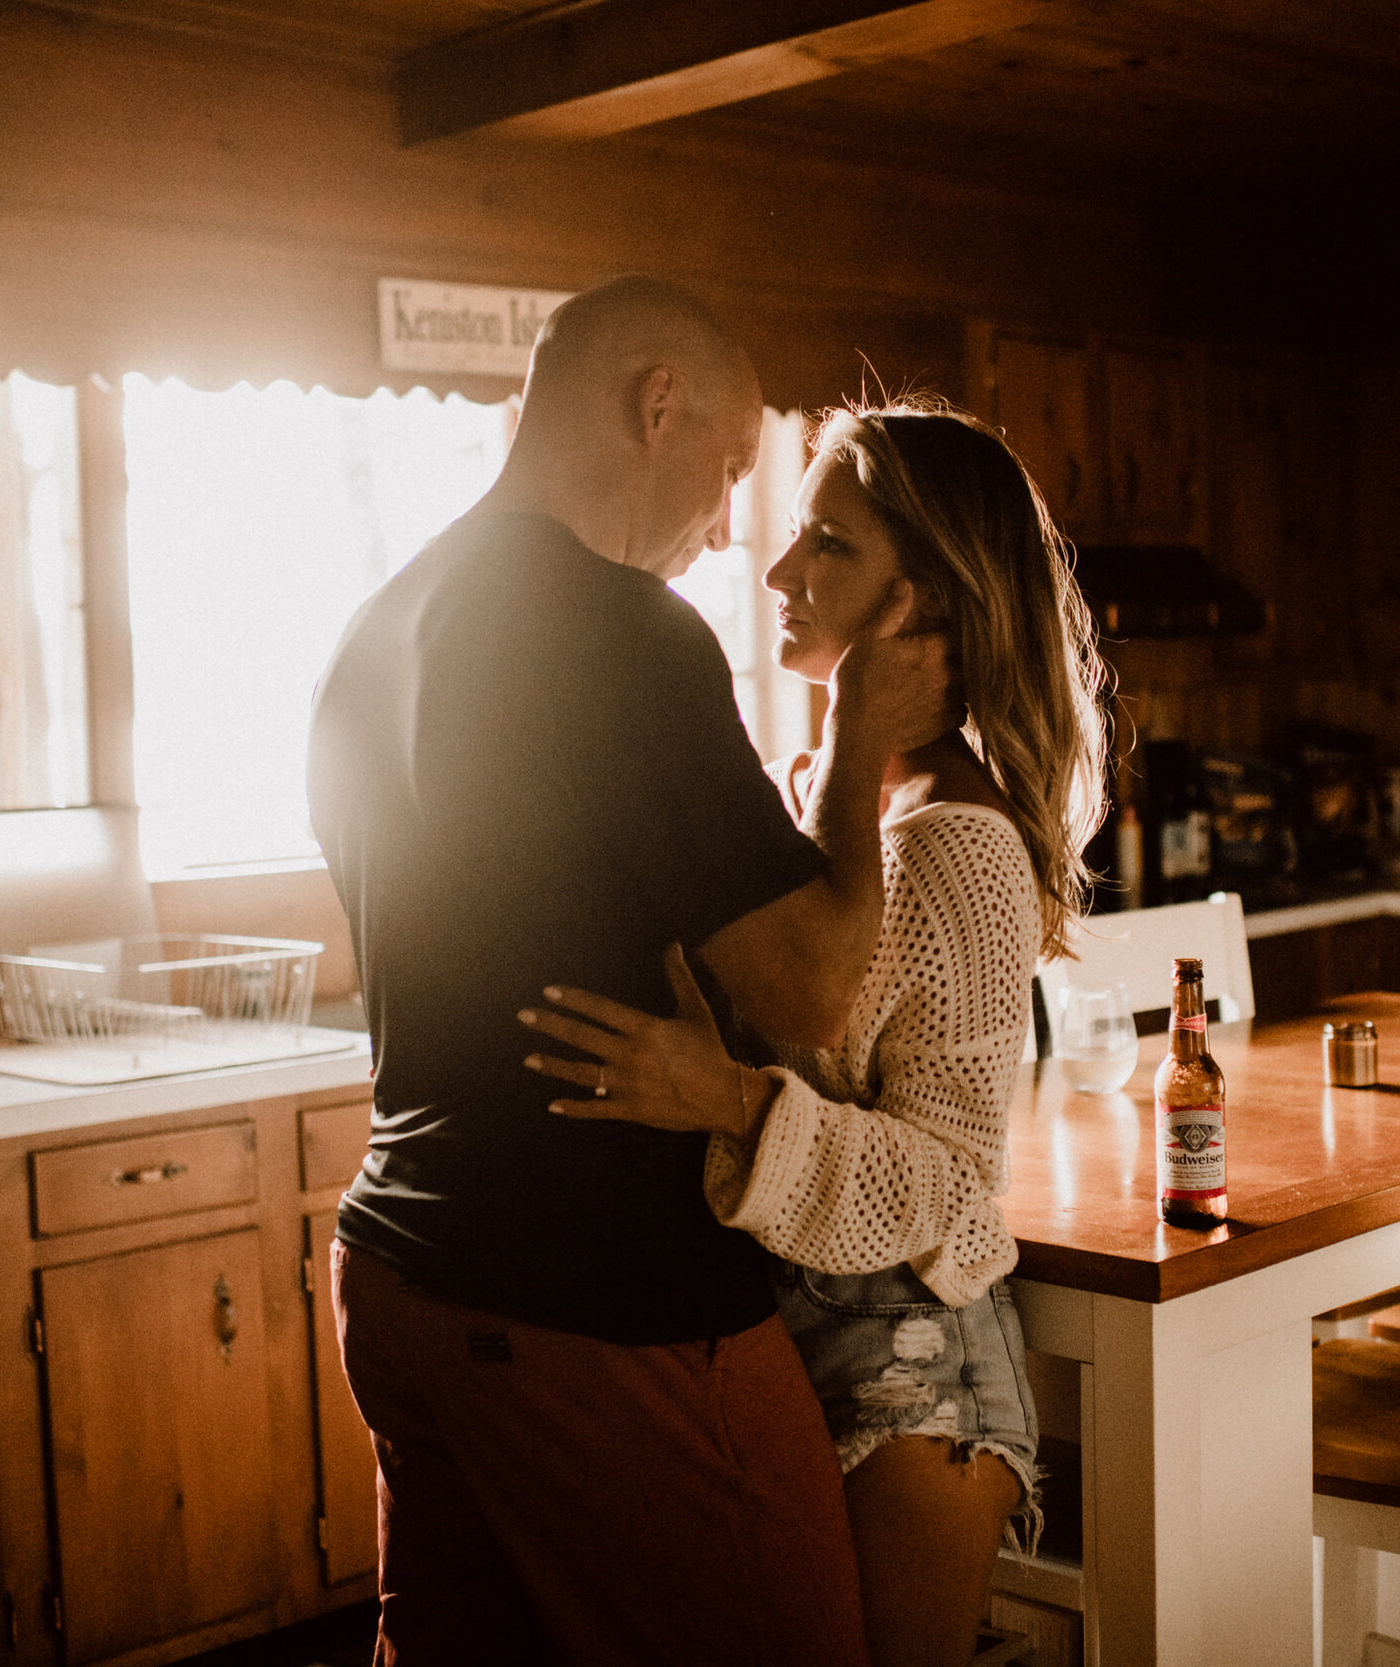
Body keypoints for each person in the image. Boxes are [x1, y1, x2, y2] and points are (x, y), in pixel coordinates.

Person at [307, 278, 950, 1667]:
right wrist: (856, 747)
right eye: (728, 474)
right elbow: (810, 988)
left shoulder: (376, 626)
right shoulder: (618, 631)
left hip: (399, 1273)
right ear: (657, 404)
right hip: (590, 1293)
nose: (726, 528)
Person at [520, 399, 1109, 1667]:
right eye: (795, 536)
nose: (780, 572)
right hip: (786, 1344)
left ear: (929, 601)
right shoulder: (826, 803)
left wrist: (727, 1102)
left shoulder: (955, 844)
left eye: (830, 545)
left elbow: (952, 1188)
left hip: (912, 1378)